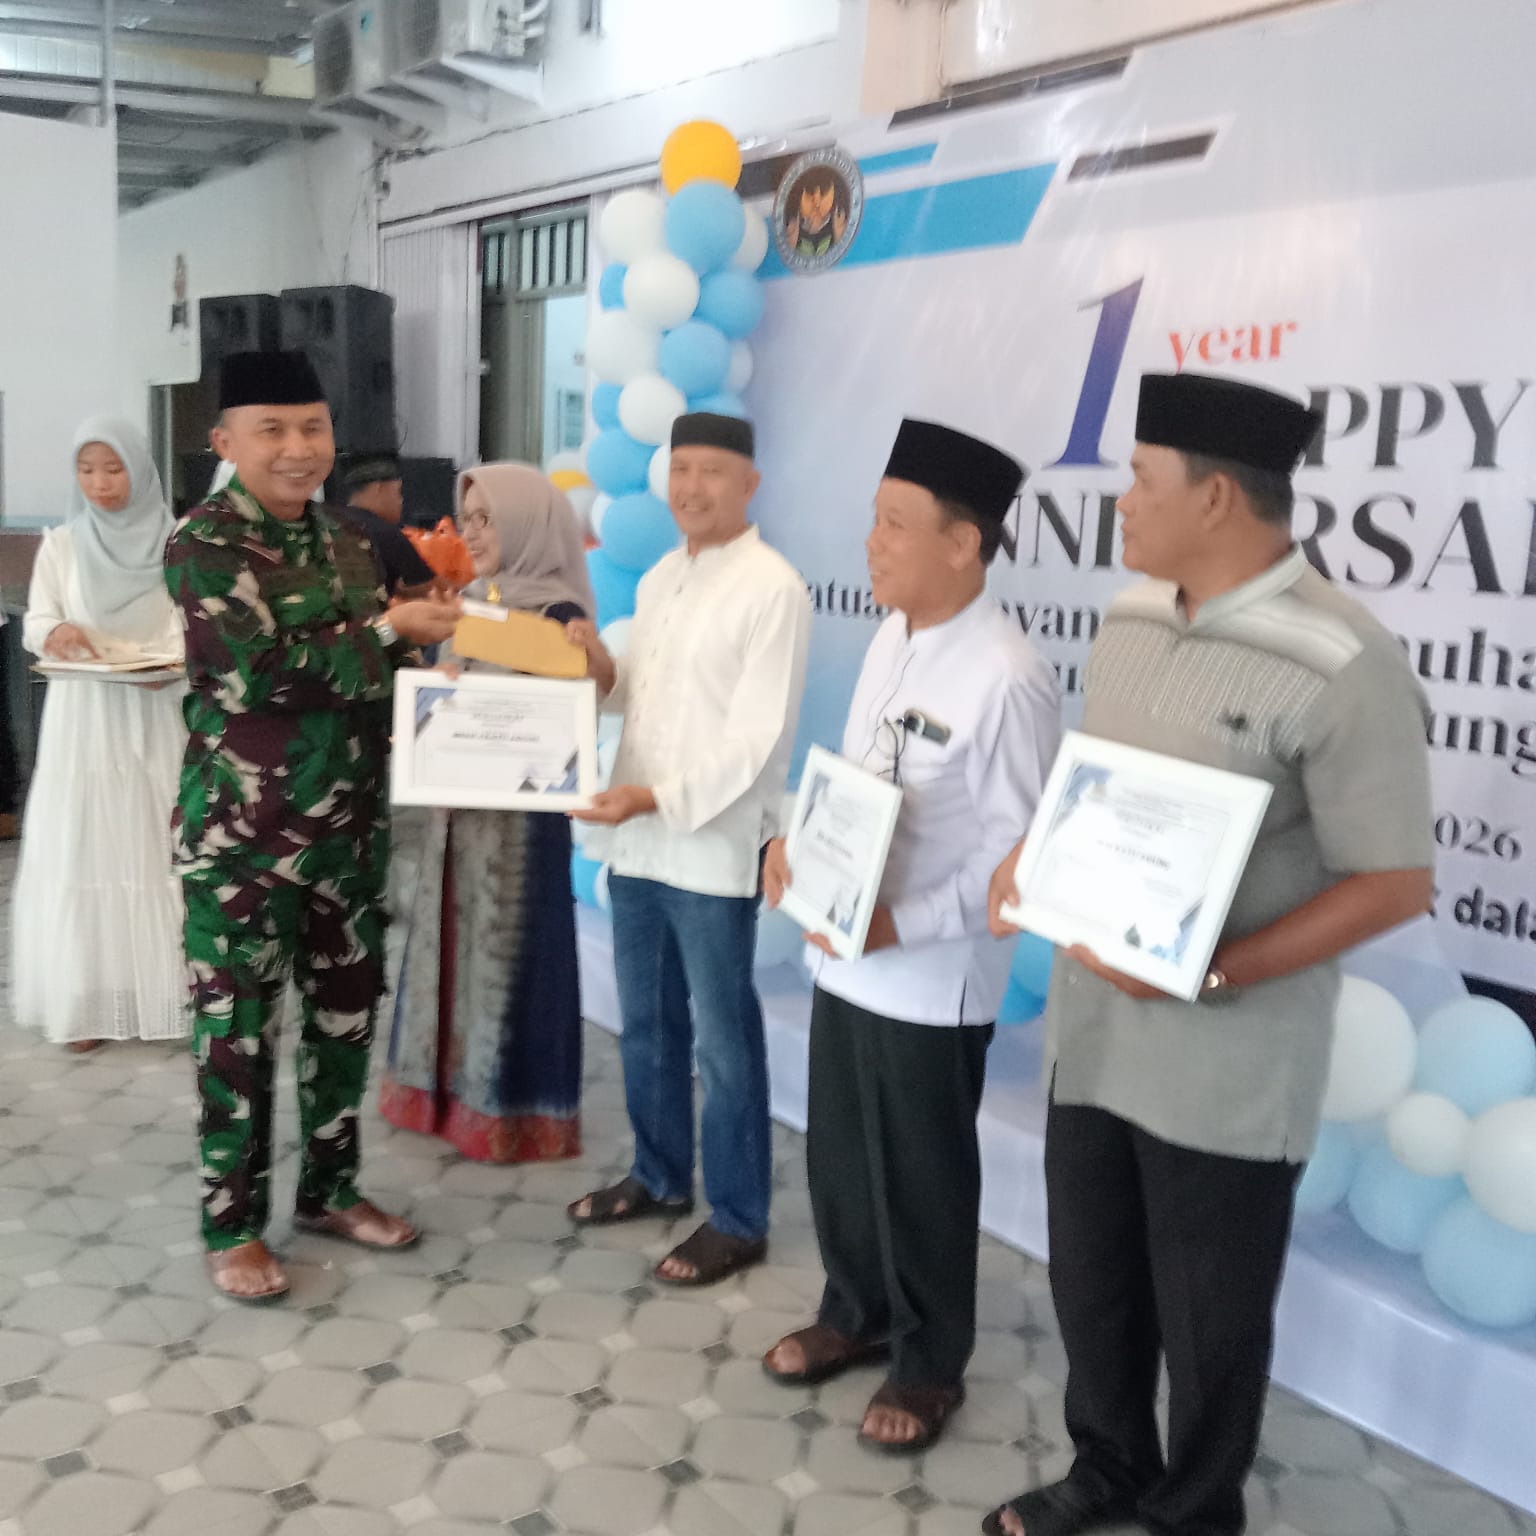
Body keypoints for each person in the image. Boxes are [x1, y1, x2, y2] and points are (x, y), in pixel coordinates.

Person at [983, 374, 1434, 1536]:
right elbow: (1099, 782)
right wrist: (1031, 854)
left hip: (1227, 1069)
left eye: (1141, 480)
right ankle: (1106, 1468)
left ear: (1218, 497)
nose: (1121, 501)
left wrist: (1216, 969)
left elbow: (1395, 881)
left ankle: (1195, 1511)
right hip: (1093, 1035)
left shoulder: (1346, 659)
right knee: (1094, 1283)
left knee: (1211, 1319)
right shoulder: (1132, 614)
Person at [760, 419, 1062, 1454]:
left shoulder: (1008, 676)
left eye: (896, 523)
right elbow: (858, 783)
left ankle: (930, 1364)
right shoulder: (893, 636)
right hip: (844, 953)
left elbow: (1019, 862)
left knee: (923, 1176)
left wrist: (902, 923)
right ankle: (855, 1311)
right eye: (874, 519)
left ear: (963, 543)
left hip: (932, 976)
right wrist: (794, 846)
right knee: (843, 1154)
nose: (872, 542)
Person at [166, 350, 461, 1304]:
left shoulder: (348, 537)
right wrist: (391, 634)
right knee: (237, 1036)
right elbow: (259, 675)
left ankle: (331, 1190)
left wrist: (443, 670)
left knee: (344, 1020)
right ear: (226, 442)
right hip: (242, 843)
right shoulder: (203, 544)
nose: (299, 448)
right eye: (273, 430)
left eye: (314, 428)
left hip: (348, 830)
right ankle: (233, 1225)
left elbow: (379, 666)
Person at [565, 411, 812, 1287]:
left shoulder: (773, 588)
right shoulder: (663, 576)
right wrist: (599, 670)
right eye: (680, 470)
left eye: (711, 472)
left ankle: (740, 1218)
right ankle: (660, 1174)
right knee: (648, 1027)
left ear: (749, 484)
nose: (691, 488)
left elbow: (755, 740)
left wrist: (654, 798)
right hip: (638, 845)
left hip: (708, 849)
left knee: (723, 1042)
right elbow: (639, 694)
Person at [380, 464, 593, 1162]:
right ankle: (441, 1096)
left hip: (520, 832)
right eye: (467, 518)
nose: (471, 534)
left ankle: (512, 1111)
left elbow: (579, 708)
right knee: (449, 949)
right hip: (457, 819)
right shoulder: (472, 601)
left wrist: (588, 667)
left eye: (488, 519)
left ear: (529, 524)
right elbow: (455, 700)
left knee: (509, 960)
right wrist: (440, 690)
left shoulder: (559, 616)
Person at [11, 417, 188, 1052]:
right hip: (84, 721)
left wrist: (168, 664)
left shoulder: (177, 542)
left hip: (153, 714)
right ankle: (85, 1003)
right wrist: (55, 633)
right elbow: (38, 620)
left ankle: (165, 994)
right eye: (86, 470)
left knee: (153, 845)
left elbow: (192, 619)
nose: (100, 483)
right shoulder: (62, 545)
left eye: (113, 469)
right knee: (84, 847)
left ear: (139, 470)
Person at [337, 452, 435, 598]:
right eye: (398, 492)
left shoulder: (328, 524)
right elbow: (430, 590)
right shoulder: (386, 535)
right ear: (378, 488)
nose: (401, 501)